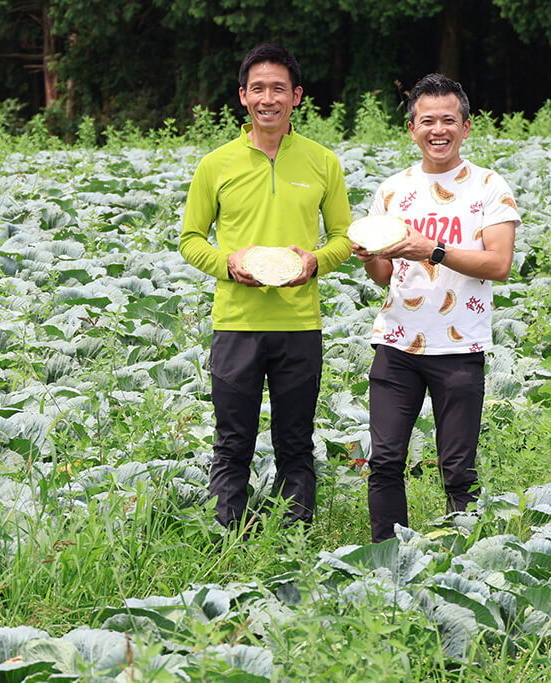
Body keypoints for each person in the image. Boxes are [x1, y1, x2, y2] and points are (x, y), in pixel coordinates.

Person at [179, 44, 352, 529]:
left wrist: (316, 262)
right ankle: (223, 536)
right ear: (242, 96)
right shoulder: (216, 164)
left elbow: (343, 237)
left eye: (279, 88)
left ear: (297, 97)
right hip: (237, 323)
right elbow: (190, 240)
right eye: (258, 88)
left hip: (300, 324)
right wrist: (225, 263)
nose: (268, 98)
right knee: (232, 440)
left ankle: (292, 538)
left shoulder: (322, 162)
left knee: (295, 441)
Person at [353, 73, 520, 543]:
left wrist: (435, 250)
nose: (438, 129)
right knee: (384, 461)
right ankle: (389, 560)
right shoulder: (392, 190)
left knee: (458, 468)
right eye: (428, 120)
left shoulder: (489, 187)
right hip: (396, 343)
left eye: (449, 120)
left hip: (459, 345)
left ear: (466, 127)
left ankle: (461, 558)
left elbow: (499, 264)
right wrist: (371, 260)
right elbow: (386, 277)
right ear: (412, 129)